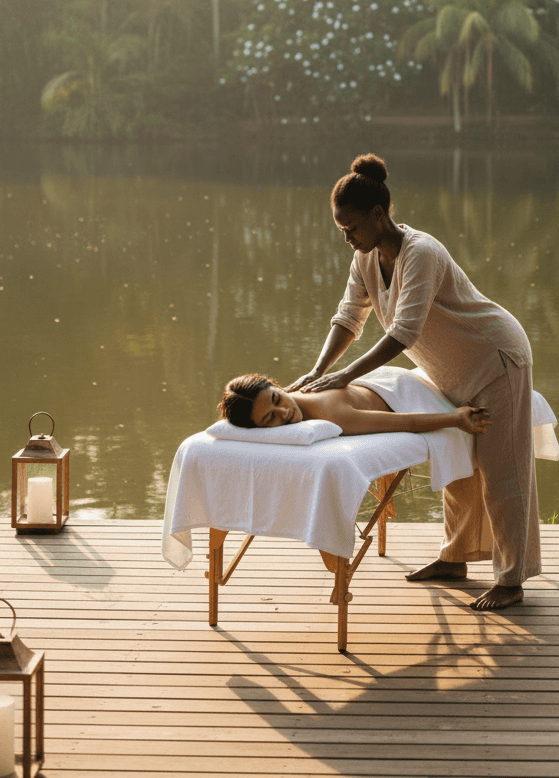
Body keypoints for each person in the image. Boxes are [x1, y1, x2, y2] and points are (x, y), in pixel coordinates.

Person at [287, 153, 541, 612]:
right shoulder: (365, 258)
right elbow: (349, 317)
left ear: (379, 215)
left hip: (494, 357)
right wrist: (320, 370)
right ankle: (456, 557)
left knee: (502, 470)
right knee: (458, 458)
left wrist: (345, 375)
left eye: (351, 228)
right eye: (340, 229)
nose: (346, 237)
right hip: (450, 367)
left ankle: (511, 578)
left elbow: (404, 332)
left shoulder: (421, 253)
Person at [218, 371, 490, 437]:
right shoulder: (298, 392)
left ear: (276, 386)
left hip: (404, 389)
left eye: (277, 400)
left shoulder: (334, 416)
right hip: (382, 380)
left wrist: (455, 418)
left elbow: (407, 422)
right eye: (270, 419)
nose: (285, 412)